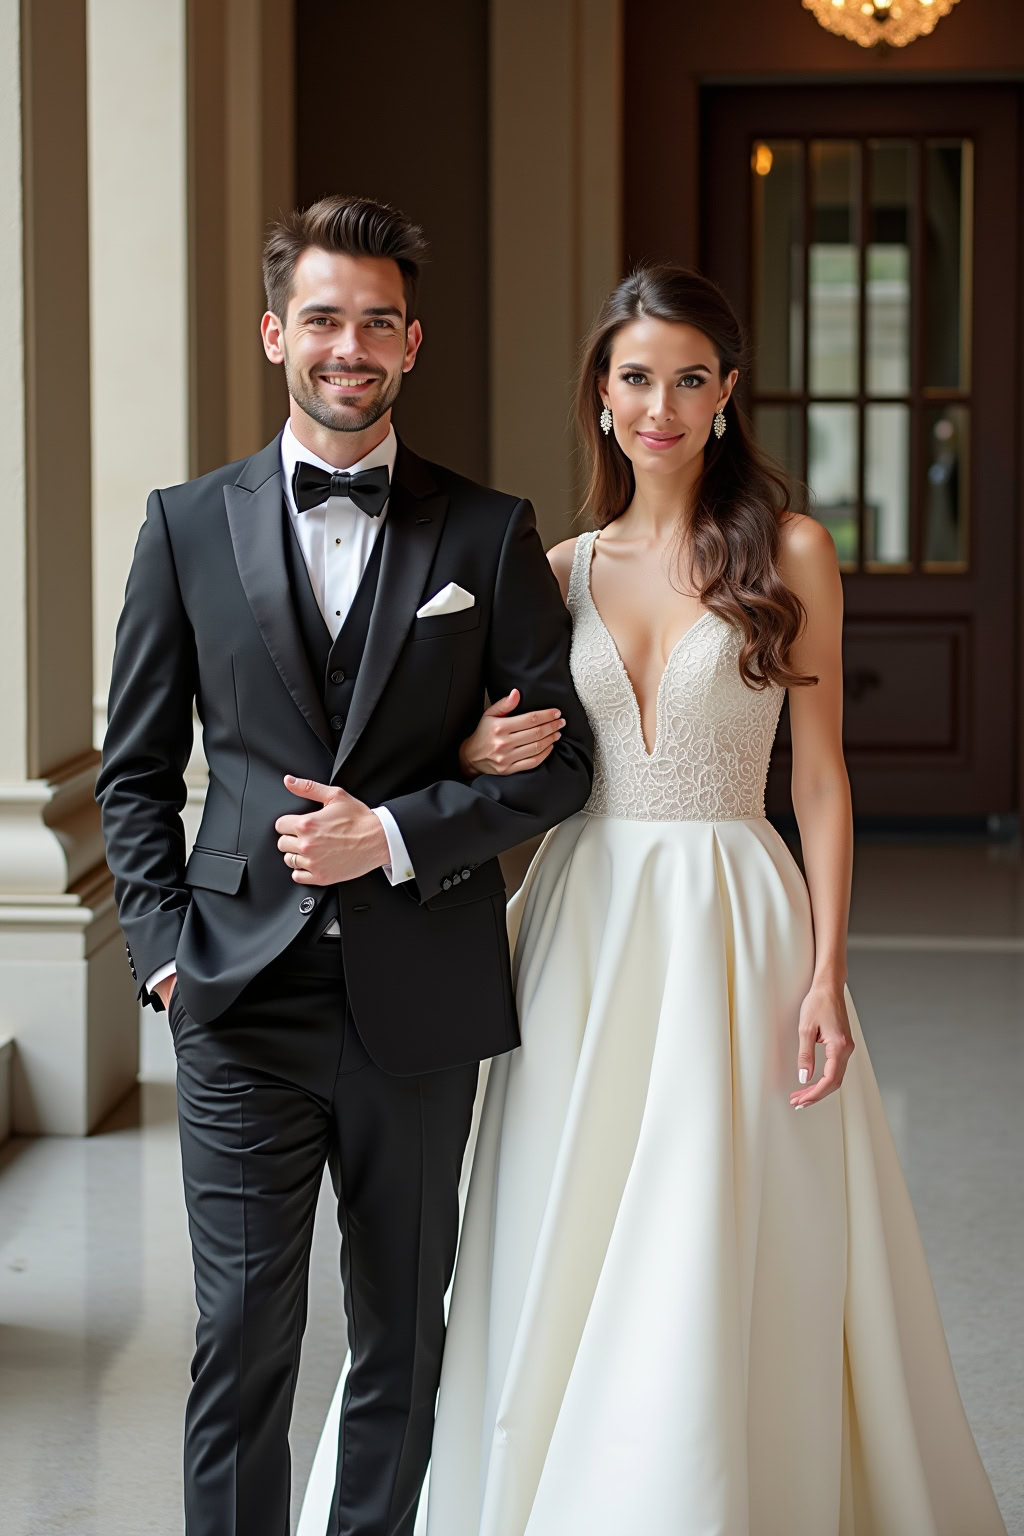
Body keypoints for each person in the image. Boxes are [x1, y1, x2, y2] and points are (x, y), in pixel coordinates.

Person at [423, 265, 1007, 1535]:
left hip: (736, 918)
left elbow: (822, 778)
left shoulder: (790, 550)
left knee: (709, 1213)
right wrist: (470, 751)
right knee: (566, 1207)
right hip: (583, 918)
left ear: (728, 393)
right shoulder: (557, 567)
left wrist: (827, 972)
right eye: (636, 378)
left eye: (690, 380)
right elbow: (501, 753)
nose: (661, 407)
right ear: (601, 393)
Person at [95, 194, 593, 1536]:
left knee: (401, 1337)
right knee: (238, 1337)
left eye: (378, 323)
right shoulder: (183, 526)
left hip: (419, 996)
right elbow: (133, 773)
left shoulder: (487, 532)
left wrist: (396, 831)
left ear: (412, 343)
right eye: (323, 319)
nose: (349, 348)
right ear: (276, 333)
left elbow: (561, 766)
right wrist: (165, 963)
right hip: (236, 996)